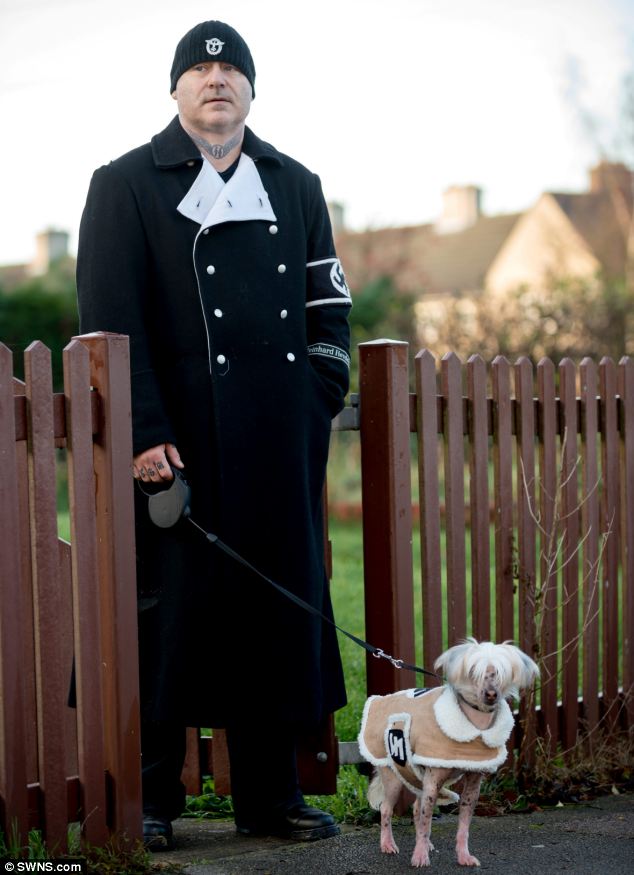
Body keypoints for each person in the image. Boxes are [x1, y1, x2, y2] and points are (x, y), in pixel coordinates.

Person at [76, 20, 351, 850]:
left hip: (274, 443)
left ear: (251, 89)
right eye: (198, 69)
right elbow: (110, 320)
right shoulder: (124, 183)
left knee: (270, 616)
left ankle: (270, 798)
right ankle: (153, 799)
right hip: (176, 450)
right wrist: (144, 431)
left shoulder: (296, 184)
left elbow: (329, 312)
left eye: (231, 69)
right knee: (167, 622)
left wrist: (312, 402)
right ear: (176, 89)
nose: (215, 78)